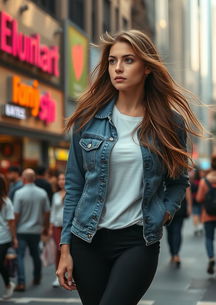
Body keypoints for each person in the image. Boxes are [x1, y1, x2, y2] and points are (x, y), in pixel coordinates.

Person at [56, 30, 203, 305]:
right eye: (112, 61)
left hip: (137, 240)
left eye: (128, 60)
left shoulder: (169, 123)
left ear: (147, 67)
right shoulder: (88, 119)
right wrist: (65, 249)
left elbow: (178, 180)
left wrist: (165, 213)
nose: (118, 68)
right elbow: (74, 186)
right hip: (87, 240)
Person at [13, 168, 50, 291]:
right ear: (34, 178)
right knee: (36, 255)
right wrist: (45, 227)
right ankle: (37, 277)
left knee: (20, 256)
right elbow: (47, 212)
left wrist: (13, 230)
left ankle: (21, 282)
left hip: (21, 230)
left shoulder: (19, 193)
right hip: (36, 230)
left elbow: (16, 214)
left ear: (23, 179)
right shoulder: (42, 193)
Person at [0, 174, 18, 300]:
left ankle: (8, 284)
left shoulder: (6, 202)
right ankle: (8, 284)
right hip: (4, 237)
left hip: (3, 238)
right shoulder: (7, 201)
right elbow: (11, 222)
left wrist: (14, 238)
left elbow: (11, 222)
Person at [165, 187, 192, 267]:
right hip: (179, 206)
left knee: (170, 232)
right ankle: (176, 253)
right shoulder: (181, 174)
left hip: (167, 208)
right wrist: (189, 206)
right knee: (177, 231)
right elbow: (188, 191)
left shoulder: (163, 175)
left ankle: (173, 254)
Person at [49, 172, 65, 288]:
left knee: (70, 251)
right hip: (57, 226)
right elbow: (53, 212)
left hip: (69, 227)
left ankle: (69, 274)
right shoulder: (55, 195)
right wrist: (50, 228)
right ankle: (58, 275)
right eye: (59, 179)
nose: (61, 181)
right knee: (58, 251)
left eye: (64, 179)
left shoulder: (73, 193)